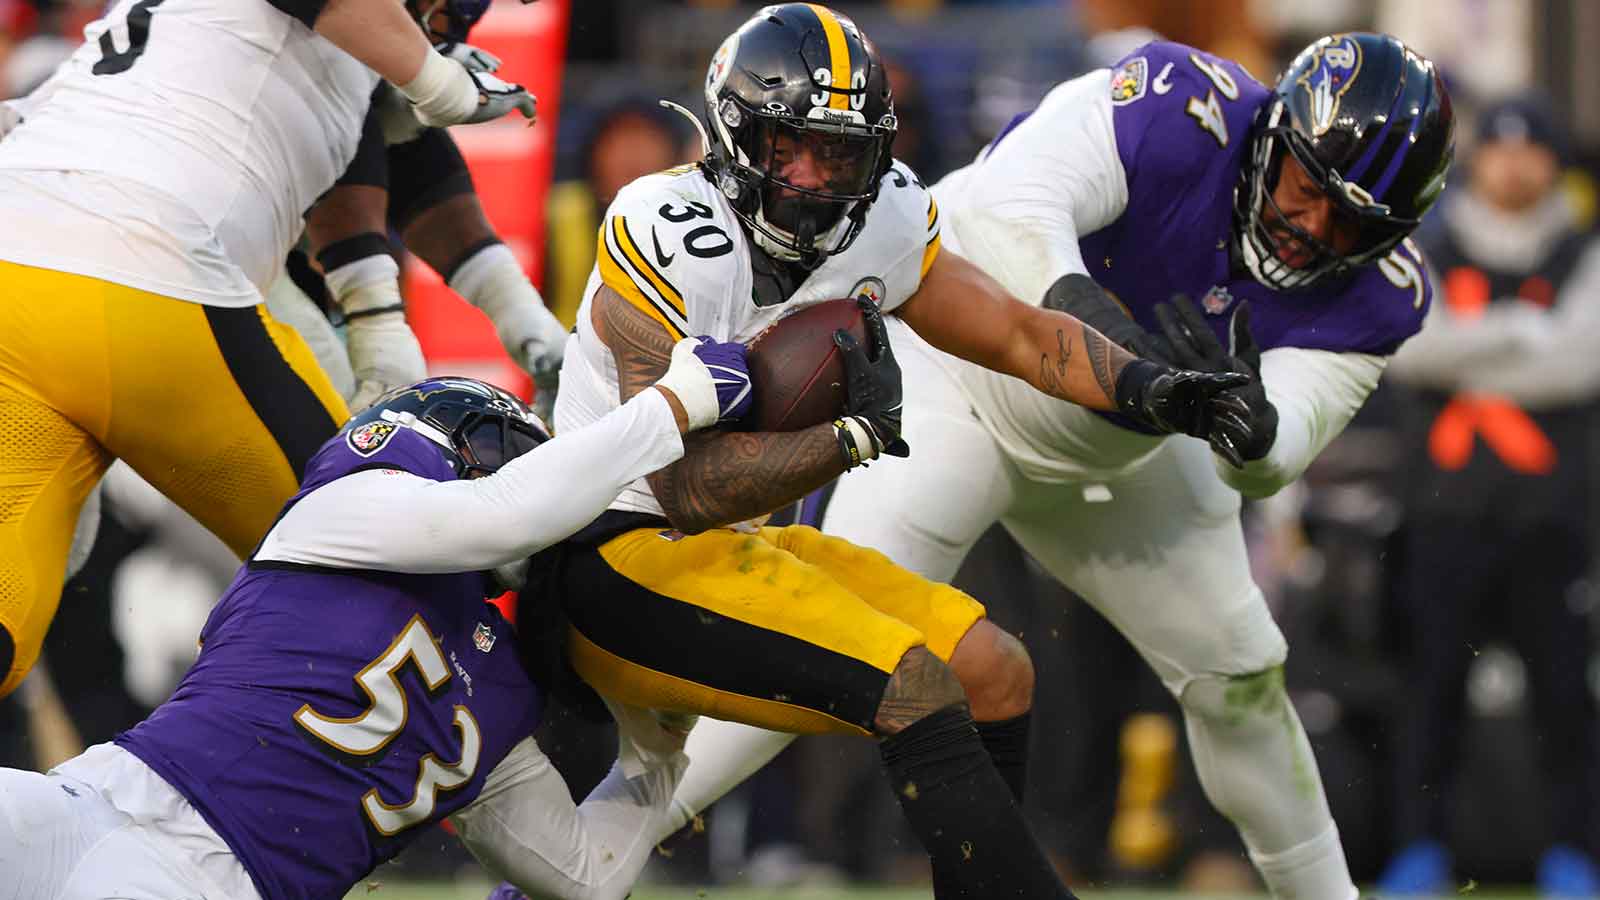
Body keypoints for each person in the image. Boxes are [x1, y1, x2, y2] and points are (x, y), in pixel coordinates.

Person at [664, 32, 1454, 900]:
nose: (1315, 231)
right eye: (1311, 191)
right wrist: (1119, 351)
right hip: (959, 382)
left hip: (1134, 454)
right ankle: (606, 845)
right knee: (832, 640)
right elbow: (1009, 209)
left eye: (1355, 224)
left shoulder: (1386, 292)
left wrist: (1253, 426)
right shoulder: (1177, 105)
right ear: (1275, 138)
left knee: (1241, 676)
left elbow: (1268, 463)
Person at [542, 5, 1256, 898]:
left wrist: (1154, 388)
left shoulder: (882, 216)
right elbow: (680, 487)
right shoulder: (666, 224)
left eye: (837, 152)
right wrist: (846, 439)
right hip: (617, 552)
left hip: (736, 548)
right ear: (733, 134)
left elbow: (1019, 333)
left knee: (994, 672)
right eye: (785, 146)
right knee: (913, 684)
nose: (810, 177)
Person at [0, 332, 755, 900]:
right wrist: (669, 406)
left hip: (199, 875)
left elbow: (580, 876)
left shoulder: (494, 690)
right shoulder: (366, 525)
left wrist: (656, 756)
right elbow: (508, 516)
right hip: (92, 796)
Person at [0, 0, 538, 697]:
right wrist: (443, 84)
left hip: (22, 252)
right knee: (385, 570)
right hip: (141, 270)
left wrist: (394, 315)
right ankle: (520, 789)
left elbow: (393, 160)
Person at [1380, 95, 1600, 897]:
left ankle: (1575, 854)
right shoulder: (1426, 243)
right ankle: (1417, 851)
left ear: (1552, 162)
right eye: (1499, 150)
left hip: (1550, 513)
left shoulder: (1583, 251)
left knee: (1565, 695)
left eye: (1530, 150)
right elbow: (1407, 349)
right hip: (1443, 509)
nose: (1514, 166)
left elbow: (1578, 363)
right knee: (1429, 687)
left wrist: (1465, 351)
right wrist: (1519, 334)